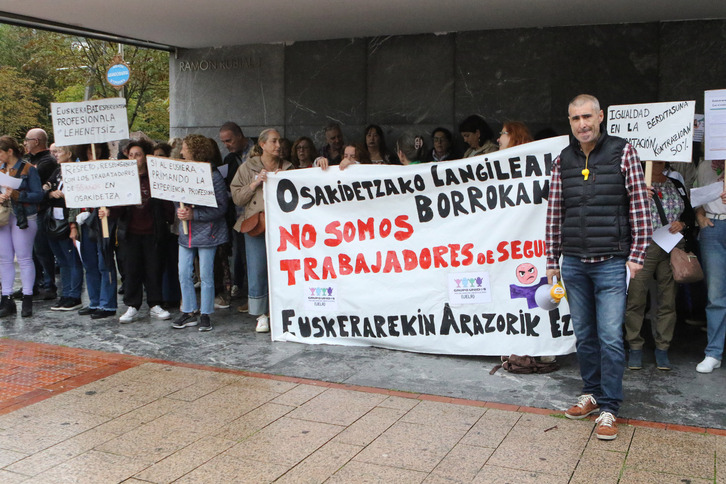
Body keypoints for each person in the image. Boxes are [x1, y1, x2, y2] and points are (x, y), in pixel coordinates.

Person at [545, 94, 651, 440]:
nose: (582, 124)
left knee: (609, 338)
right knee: (585, 337)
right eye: (575, 119)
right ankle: (591, 394)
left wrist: (637, 255)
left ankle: (609, 408)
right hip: (573, 263)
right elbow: (554, 212)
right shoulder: (564, 159)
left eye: (587, 117)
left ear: (601, 116)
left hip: (610, 262)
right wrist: (552, 260)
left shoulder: (623, 151)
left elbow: (639, 204)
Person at [625, 161, 694, 371]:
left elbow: (689, 213)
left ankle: (662, 348)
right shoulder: (634, 184)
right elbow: (619, 212)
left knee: (667, 299)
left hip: (672, 246)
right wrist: (635, 197)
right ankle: (635, 347)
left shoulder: (675, 183)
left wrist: (683, 224)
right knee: (636, 299)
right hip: (643, 246)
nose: (657, 163)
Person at [231, 128, 294, 333]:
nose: (278, 145)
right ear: (262, 144)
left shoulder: (289, 167)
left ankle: (282, 309)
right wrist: (256, 182)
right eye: (274, 141)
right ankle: (260, 314)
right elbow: (237, 198)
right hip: (256, 225)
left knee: (283, 269)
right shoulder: (247, 167)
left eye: (279, 142)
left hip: (282, 227)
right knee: (257, 268)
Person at [104, 139, 174, 323]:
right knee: (131, 269)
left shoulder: (155, 178)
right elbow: (118, 206)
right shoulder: (125, 179)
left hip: (153, 231)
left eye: (138, 154)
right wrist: (109, 211)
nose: (134, 158)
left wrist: (170, 218)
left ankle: (155, 304)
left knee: (154, 269)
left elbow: (166, 202)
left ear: (145, 157)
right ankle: (132, 305)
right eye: (131, 155)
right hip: (130, 232)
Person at [172, 135, 229, 332]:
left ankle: (205, 313)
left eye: (185, 148)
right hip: (186, 234)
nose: (181, 152)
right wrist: (180, 211)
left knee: (206, 274)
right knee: (183, 273)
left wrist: (194, 214)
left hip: (207, 233)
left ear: (195, 151)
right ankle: (188, 311)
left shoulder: (214, 176)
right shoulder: (182, 174)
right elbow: (175, 197)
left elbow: (221, 208)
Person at [0, 136, 44, 318]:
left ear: (10, 151)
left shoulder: (28, 169)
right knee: (4, 258)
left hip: (24, 216)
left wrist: (17, 194)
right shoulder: (1, 169)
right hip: (3, 216)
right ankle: (6, 297)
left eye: (0, 152)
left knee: (24, 258)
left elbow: (38, 195)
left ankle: (27, 297)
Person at [73, 143, 118, 319]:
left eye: (97, 153)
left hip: (102, 221)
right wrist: (73, 223)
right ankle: (95, 301)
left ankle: (107, 304)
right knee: (89, 263)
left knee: (104, 262)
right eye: (90, 154)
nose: (94, 157)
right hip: (84, 221)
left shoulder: (109, 170)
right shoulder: (78, 170)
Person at [694, 159, 726, 373]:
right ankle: (714, 352)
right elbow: (696, 198)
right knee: (715, 295)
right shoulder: (704, 165)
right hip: (713, 228)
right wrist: (699, 217)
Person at [44, 144, 83, 311]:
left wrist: (73, 224)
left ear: (69, 153)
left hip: (68, 220)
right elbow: (46, 186)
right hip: (54, 219)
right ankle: (65, 293)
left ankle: (74, 295)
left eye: (59, 151)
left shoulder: (76, 171)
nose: (56, 155)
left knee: (71, 259)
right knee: (61, 260)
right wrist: (50, 192)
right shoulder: (58, 170)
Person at [219, 122, 252, 310]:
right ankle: (244, 290)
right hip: (238, 215)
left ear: (240, 136)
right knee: (241, 255)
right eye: (223, 142)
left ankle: (255, 297)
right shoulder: (230, 158)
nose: (227, 145)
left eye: (229, 140)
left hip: (253, 213)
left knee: (252, 259)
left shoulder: (254, 154)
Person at [23, 128, 58, 300]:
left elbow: (30, 179)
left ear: (36, 141)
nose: (25, 143)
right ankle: (33, 284)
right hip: (30, 210)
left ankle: (49, 284)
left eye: (27, 140)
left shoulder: (47, 161)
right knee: (31, 251)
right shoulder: (31, 160)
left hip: (42, 210)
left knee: (42, 250)